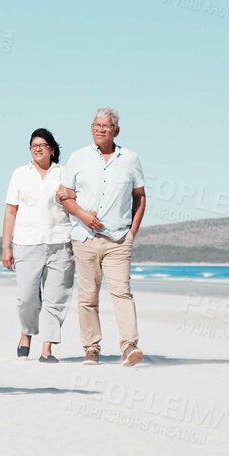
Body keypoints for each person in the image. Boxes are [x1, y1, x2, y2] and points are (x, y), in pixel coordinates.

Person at [56, 107, 148, 365]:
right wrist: (84, 216)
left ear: (115, 130)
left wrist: (132, 233)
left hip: (118, 239)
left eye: (105, 126)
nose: (99, 129)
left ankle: (129, 346)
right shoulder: (78, 158)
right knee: (88, 297)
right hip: (84, 238)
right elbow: (64, 196)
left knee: (122, 293)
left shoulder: (130, 159)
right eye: (96, 125)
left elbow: (140, 198)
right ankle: (91, 348)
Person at [3, 128, 73, 362]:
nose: (38, 148)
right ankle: (27, 332)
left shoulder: (65, 174)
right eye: (34, 145)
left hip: (60, 242)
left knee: (56, 297)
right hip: (26, 242)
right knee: (26, 297)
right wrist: (6, 247)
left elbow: (76, 204)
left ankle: (47, 349)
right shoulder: (20, 174)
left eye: (43, 144)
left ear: (52, 149)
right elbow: (11, 211)